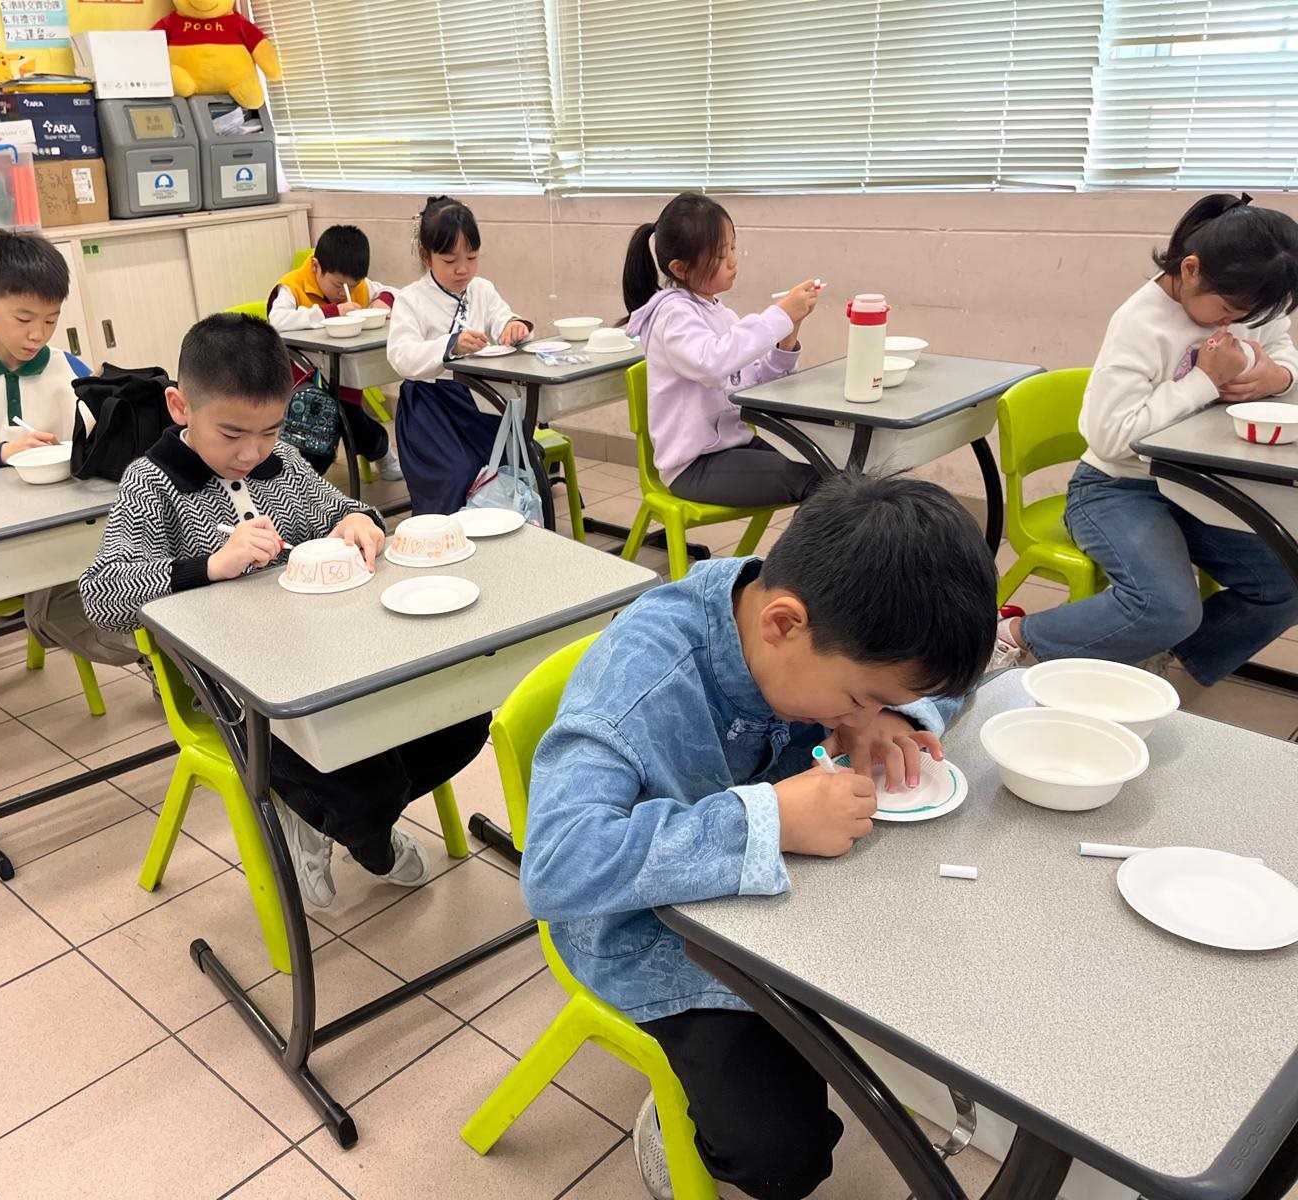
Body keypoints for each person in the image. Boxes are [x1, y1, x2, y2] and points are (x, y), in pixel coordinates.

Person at [520, 473, 997, 1200]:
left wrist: (896, 716)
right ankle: (682, 1115)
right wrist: (769, 819)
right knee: (783, 1157)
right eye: (859, 697)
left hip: (797, 901)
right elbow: (558, 866)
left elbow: (944, 679)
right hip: (653, 934)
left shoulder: (824, 621)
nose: (860, 714)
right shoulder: (641, 680)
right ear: (782, 625)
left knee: (951, 967)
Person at [79, 313, 490, 906]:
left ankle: (332, 816)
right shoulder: (153, 483)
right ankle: (366, 832)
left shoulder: (286, 464)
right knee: (364, 785)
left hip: (332, 664)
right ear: (180, 407)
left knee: (463, 720)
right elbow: (101, 595)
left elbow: (343, 510)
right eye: (231, 434)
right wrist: (209, 566)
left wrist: (359, 521)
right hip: (242, 698)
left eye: (270, 430)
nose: (252, 452)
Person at [992, 193, 1298, 687]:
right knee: (1166, 607)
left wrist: (1278, 376)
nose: (1233, 324)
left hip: (1199, 487)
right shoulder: (1140, 323)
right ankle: (1013, 633)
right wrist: (1205, 381)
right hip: (1115, 487)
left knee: (1288, 582)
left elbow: (1281, 344)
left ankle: (1152, 650)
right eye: (1227, 310)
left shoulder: (1245, 298)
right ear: (1191, 269)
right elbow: (1110, 438)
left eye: (1247, 315)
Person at [0, 227, 136, 668]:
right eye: (24, 319)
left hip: (65, 532)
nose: (38, 335)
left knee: (133, 573)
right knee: (80, 601)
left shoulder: (67, 368)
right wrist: (0, 453)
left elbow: (100, 450)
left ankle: (171, 659)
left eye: (51, 321)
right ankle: (161, 660)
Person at [623, 191, 821, 509]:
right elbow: (712, 364)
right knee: (813, 480)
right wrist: (779, 315)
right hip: (694, 466)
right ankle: (803, 546)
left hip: (733, 448)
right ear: (680, 268)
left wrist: (790, 328)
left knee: (828, 467)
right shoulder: (673, 314)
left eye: (732, 247)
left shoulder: (721, 314)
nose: (732, 260)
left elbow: (757, 383)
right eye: (719, 255)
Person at [386, 195, 532, 516]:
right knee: (458, 473)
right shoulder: (411, 299)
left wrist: (514, 326)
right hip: (429, 408)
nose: (463, 269)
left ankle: (506, 534)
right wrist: (450, 345)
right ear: (426, 255)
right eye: (450, 261)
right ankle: (449, 538)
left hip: (477, 401)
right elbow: (401, 355)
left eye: (472, 257)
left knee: (510, 461)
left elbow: (502, 317)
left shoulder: (482, 289)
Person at [267, 223, 403, 480]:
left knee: (351, 421)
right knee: (324, 427)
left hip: (346, 379)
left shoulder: (358, 285)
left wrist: (382, 301)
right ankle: (303, 481)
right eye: (338, 285)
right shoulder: (292, 287)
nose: (344, 292)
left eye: (353, 284)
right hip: (304, 382)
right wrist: (331, 312)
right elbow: (277, 320)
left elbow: (396, 292)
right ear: (316, 266)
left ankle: (380, 450)